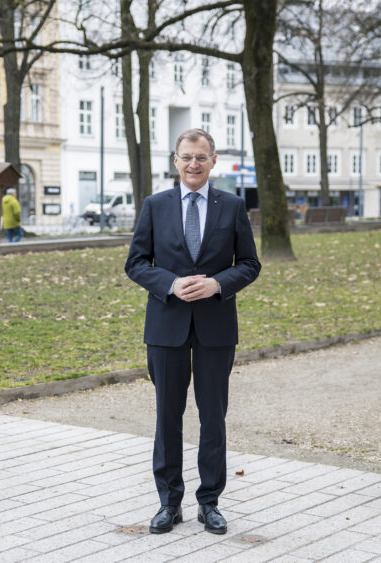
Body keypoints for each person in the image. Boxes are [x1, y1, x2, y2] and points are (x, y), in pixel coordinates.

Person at [125, 129, 261, 535]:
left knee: (213, 417)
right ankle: (169, 503)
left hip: (216, 327)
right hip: (166, 326)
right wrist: (169, 283)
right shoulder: (156, 205)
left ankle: (210, 502)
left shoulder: (233, 206)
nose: (193, 164)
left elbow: (250, 264)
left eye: (201, 157)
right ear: (176, 160)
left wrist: (218, 284)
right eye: (186, 157)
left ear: (213, 161)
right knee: (168, 416)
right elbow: (135, 262)